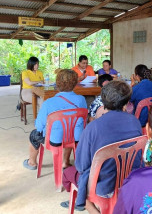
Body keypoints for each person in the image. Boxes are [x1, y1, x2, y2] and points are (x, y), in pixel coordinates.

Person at [60, 80, 142, 212]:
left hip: (103, 186)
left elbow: (81, 165)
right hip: (131, 177)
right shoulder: (135, 122)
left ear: (102, 102)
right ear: (127, 103)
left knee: (68, 173)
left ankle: (84, 202)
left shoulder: (93, 127)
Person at [23, 69, 87, 170]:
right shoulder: (81, 99)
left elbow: (39, 126)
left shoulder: (49, 103)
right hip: (75, 138)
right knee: (70, 129)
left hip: (54, 140)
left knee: (34, 134)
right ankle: (65, 162)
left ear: (57, 84)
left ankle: (32, 162)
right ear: (75, 84)